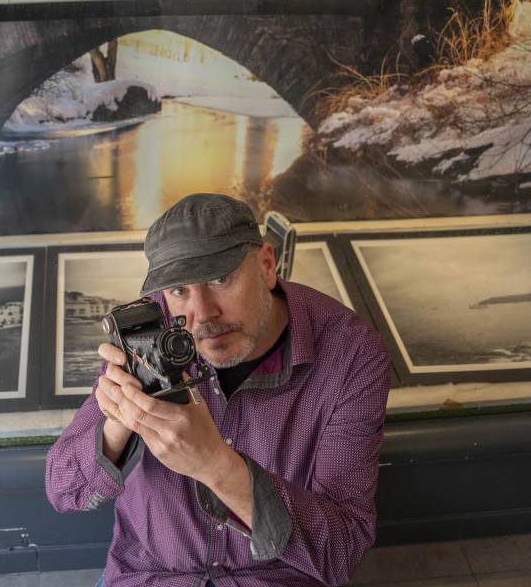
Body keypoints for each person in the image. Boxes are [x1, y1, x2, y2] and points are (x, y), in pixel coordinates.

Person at [45, 193, 391, 587]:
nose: (203, 315)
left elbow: (340, 551)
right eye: (180, 291)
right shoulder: (148, 329)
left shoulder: (351, 354)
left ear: (265, 265)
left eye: (220, 279)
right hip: (152, 575)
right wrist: (118, 424)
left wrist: (216, 465)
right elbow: (64, 492)